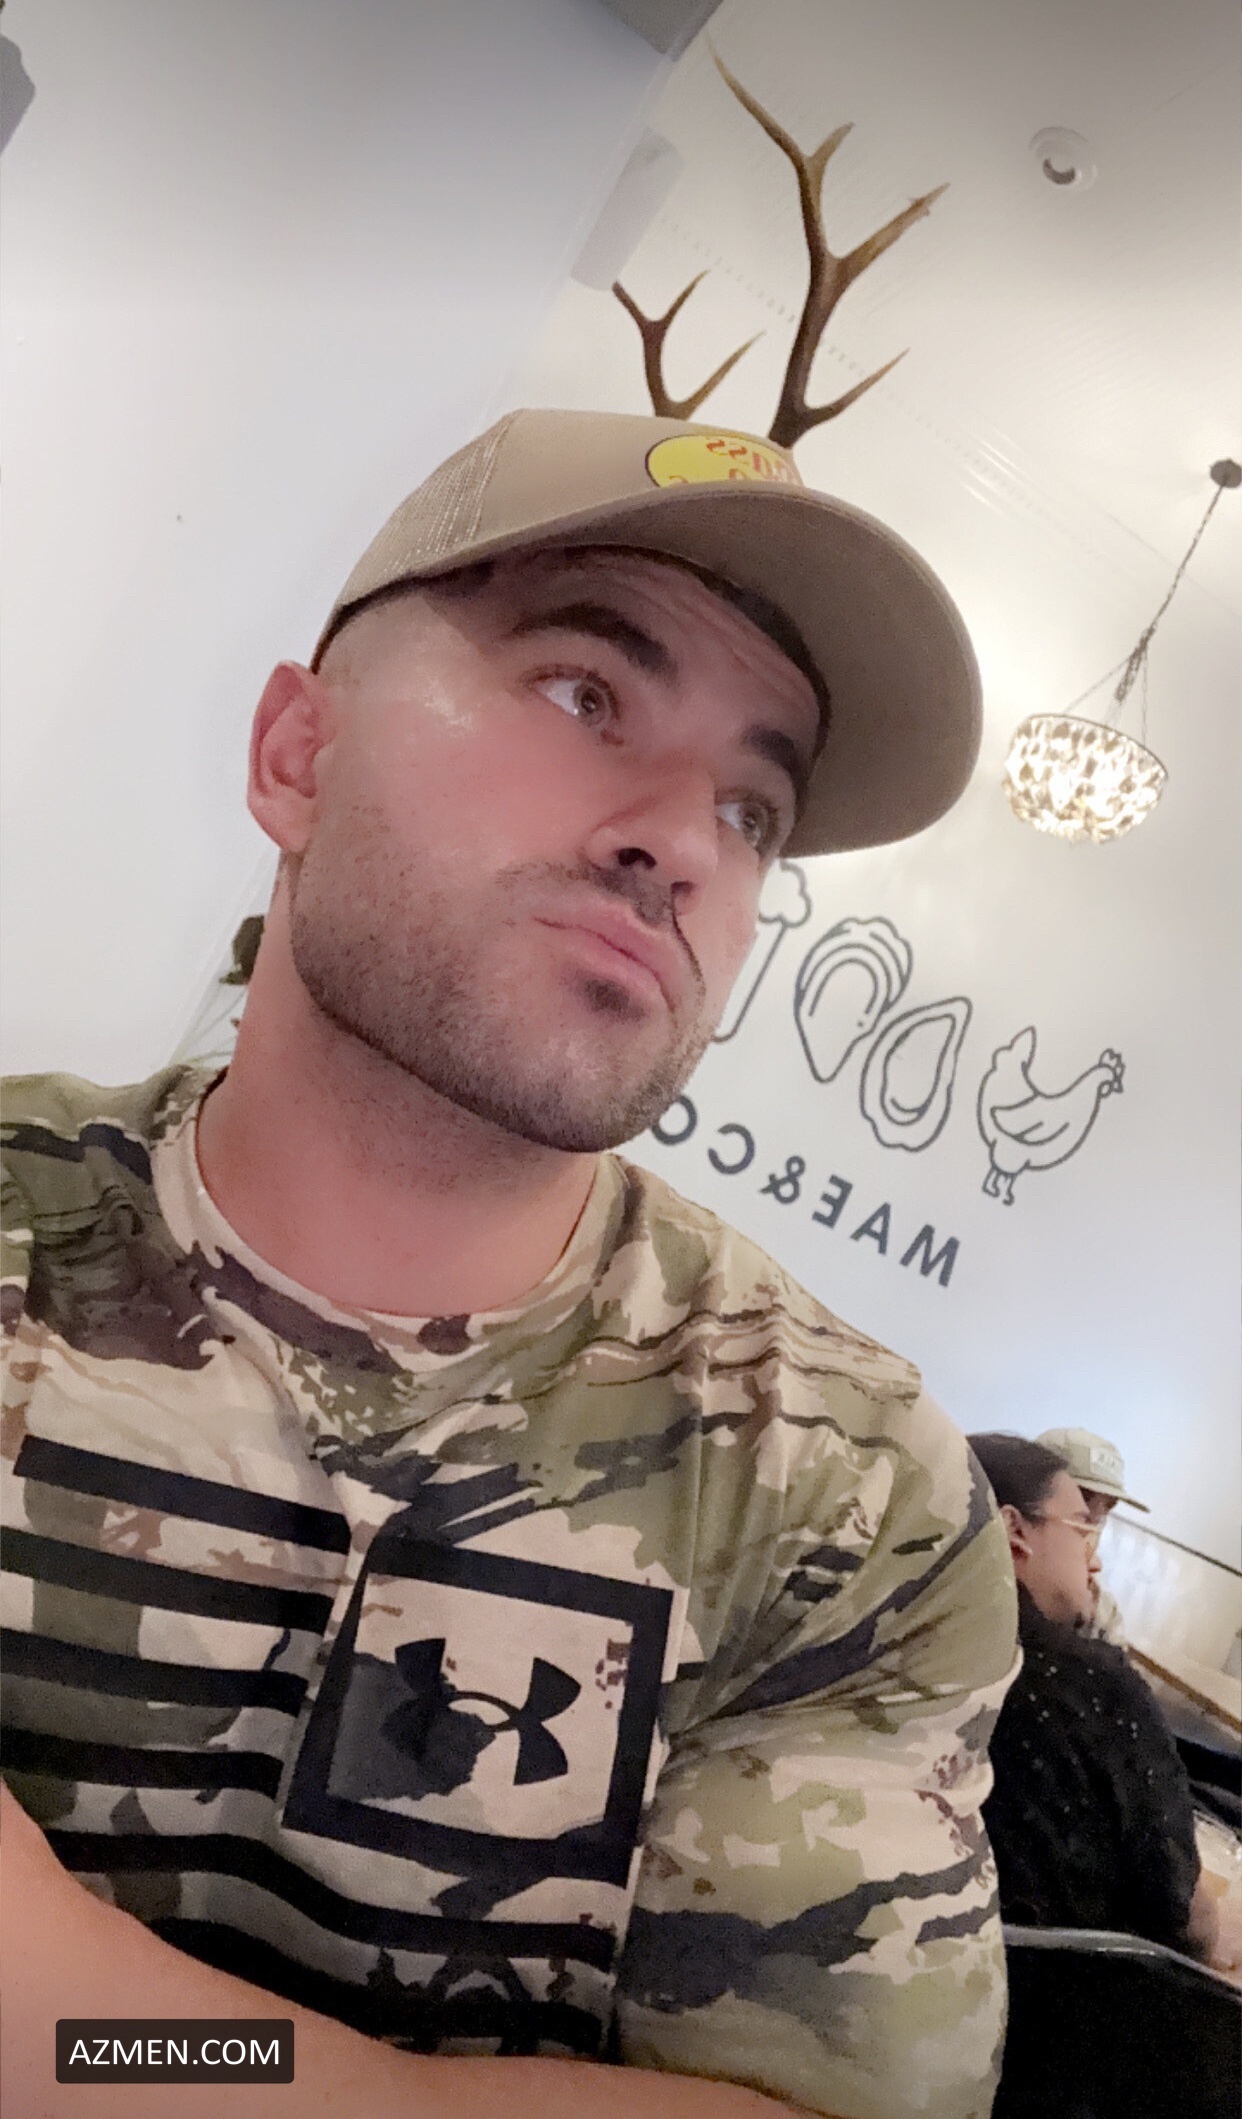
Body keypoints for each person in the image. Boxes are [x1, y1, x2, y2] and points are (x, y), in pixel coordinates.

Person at [2, 407, 1019, 2119]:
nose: (681, 841)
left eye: (753, 806)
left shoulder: (846, 1493)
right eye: (583, 692)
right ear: (297, 755)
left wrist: (95, 2028)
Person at [967, 1432, 1219, 1962]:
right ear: (1015, 1529)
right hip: (1091, 1985)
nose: (1096, 1557)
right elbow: (1181, 1911)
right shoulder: (1087, 1681)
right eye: (1083, 1523)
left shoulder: (905, 1654)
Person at [1036, 1424, 1149, 1645]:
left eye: (1106, 1509)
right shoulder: (981, 1578)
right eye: (1082, 1500)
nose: (1089, 1535)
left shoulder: (1101, 1608)